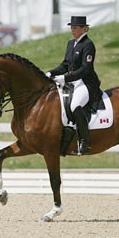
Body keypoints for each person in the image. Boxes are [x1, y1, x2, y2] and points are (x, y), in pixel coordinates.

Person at [46, 16, 101, 154]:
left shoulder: (88, 44)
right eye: (72, 27)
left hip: (86, 82)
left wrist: (65, 77)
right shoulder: (71, 43)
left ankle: (84, 142)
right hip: (71, 82)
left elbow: (85, 69)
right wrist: (50, 73)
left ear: (84, 28)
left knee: (75, 105)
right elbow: (65, 64)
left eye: (75, 28)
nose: (73, 30)